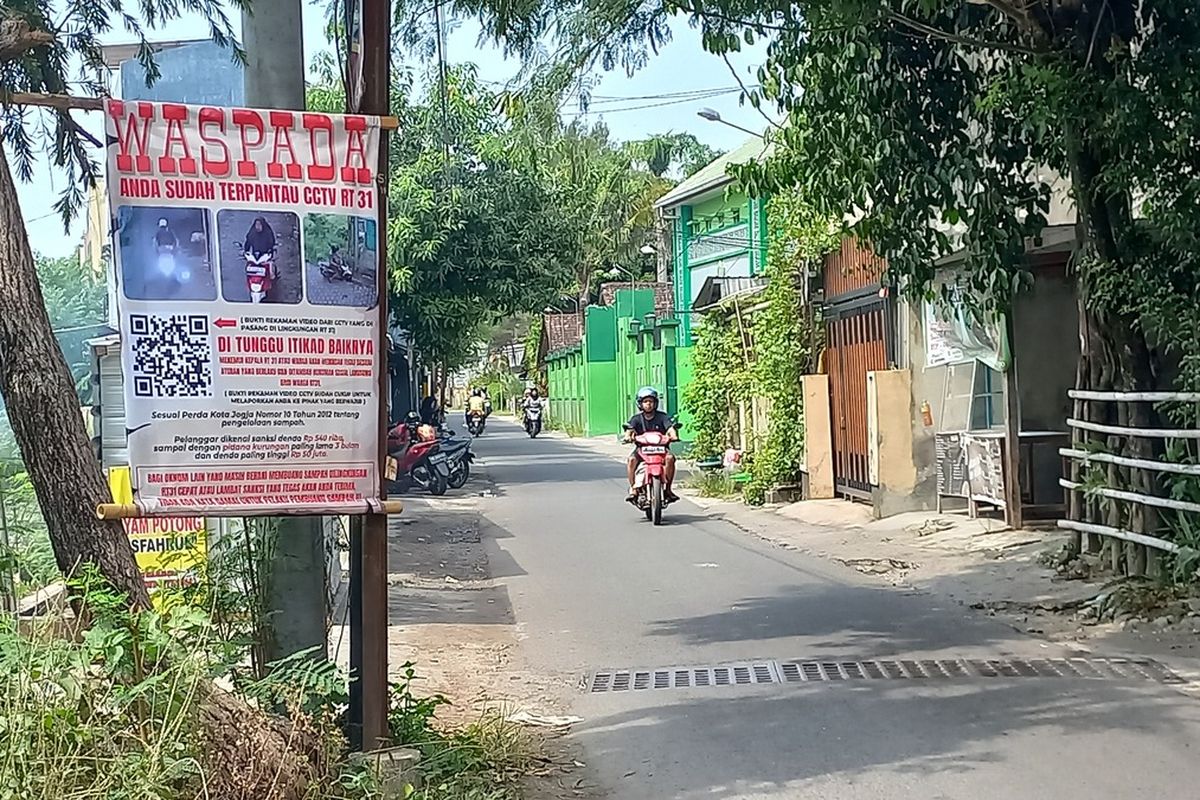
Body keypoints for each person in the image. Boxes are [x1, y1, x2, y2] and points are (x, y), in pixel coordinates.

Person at [624, 386, 679, 504]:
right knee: (631, 460)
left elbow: (670, 428)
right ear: (640, 404)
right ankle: (633, 488)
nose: (648, 404)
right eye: (645, 401)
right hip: (642, 450)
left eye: (651, 401)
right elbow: (630, 429)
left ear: (655, 403)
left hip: (661, 450)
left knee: (670, 458)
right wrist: (628, 436)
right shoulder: (636, 419)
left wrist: (673, 436)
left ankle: (668, 489)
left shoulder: (662, 417)